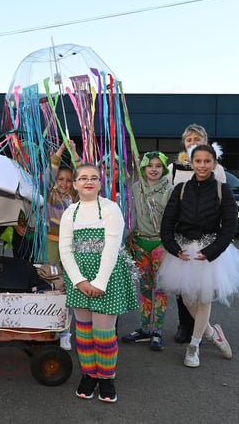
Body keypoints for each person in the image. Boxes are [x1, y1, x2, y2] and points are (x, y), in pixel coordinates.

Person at [157, 144, 239, 368]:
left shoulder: (223, 190)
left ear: (214, 163)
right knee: (186, 298)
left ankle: (194, 346)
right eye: (198, 161)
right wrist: (173, 247)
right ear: (191, 163)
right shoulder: (180, 188)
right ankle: (213, 333)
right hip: (183, 252)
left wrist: (212, 251)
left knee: (203, 299)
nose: (202, 165)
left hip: (210, 252)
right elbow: (167, 223)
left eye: (206, 161)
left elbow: (230, 226)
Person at [59, 164, 138, 403]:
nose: (88, 181)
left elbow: (112, 247)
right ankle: (88, 376)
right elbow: (65, 249)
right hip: (79, 278)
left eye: (94, 178)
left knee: (103, 335)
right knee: (83, 334)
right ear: (75, 184)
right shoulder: (69, 212)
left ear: (100, 183)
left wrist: (100, 282)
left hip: (107, 276)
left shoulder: (111, 208)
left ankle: (106, 378)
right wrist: (79, 281)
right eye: (83, 178)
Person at [167, 123, 226, 344]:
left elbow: (221, 201)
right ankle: (186, 325)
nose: (193, 142)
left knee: (202, 288)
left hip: (206, 236)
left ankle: (199, 331)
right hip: (181, 234)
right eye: (189, 139)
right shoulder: (175, 168)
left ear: (205, 141)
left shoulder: (216, 169)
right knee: (182, 287)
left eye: (197, 139)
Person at [121, 152, 173, 351]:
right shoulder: (135, 188)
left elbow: (172, 218)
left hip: (161, 245)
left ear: (164, 169)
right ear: (143, 168)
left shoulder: (169, 189)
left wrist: (170, 244)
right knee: (144, 288)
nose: (153, 169)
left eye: (158, 166)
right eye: (150, 165)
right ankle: (144, 328)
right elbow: (130, 214)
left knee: (160, 288)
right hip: (140, 244)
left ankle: (157, 330)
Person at [45, 140, 80, 351]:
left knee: (70, 288)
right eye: (61, 179)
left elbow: (85, 173)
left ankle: (66, 331)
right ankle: (51, 326)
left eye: (69, 180)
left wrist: (74, 152)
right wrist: (59, 152)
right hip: (51, 243)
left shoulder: (78, 198)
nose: (65, 183)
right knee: (51, 286)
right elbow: (49, 173)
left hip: (72, 247)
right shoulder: (50, 193)